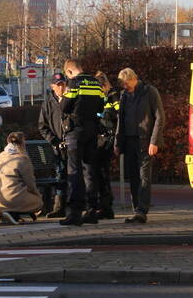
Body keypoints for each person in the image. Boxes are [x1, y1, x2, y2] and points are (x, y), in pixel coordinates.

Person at [115, 68, 164, 224]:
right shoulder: (124, 96)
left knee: (144, 177)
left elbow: (159, 117)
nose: (124, 87)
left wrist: (154, 141)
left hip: (145, 141)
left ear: (133, 79)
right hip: (129, 141)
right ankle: (136, 210)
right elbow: (120, 120)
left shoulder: (150, 92)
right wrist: (118, 143)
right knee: (133, 177)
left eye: (126, 83)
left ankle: (142, 211)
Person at [59, 59, 104, 226]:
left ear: (70, 71)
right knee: (90, 170)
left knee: (74, 171)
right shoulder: (96, 82)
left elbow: (64, 106)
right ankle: (92, 210)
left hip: (75, 131)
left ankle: (74, 213)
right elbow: (101, 107)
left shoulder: (74, 83)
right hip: (92, 130)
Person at [0, 132, 43, 225]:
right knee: (38, 202)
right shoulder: (22, 158)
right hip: (11, 199)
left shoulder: (0, 156)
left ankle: (1, 213)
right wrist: (37, 195)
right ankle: (12, 213)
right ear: (23, 143)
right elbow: (30, 184)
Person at [38, 73, 68, 218]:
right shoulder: (48, 103)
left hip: (71, 143)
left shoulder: (71, 99)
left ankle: (76, 205)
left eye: (63, 84)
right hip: (57, 147)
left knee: (76, 175)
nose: (61, 87)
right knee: (60, 174)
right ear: (52, 86)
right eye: (58, 84)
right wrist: (54, 141)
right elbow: (42, 126)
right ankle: (59, 207)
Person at [93, 71, 118, 219]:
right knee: (99, 174)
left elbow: (117, 114)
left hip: (106, 139)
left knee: (102, 173)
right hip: (99, 139)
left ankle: (106, 206)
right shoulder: (100, 97)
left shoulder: (112, 96)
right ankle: (104, 205)